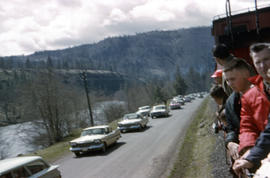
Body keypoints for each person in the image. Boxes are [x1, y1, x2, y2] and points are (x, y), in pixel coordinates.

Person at [232, 43, 270, 175]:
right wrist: (249, 148)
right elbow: (247, 127)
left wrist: (255, 154)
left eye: (266, 59)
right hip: (264, 152)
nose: (263, 66)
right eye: (258, 62)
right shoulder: (249, 97)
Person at [223, 59, 253, 161]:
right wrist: (230, 143)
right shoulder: (230, 103)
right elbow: (231, 129)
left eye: (233, 79)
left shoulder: (263, 92)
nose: (230, 84)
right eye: (227, 80)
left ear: (246, 74)